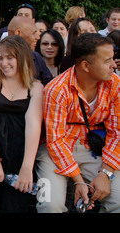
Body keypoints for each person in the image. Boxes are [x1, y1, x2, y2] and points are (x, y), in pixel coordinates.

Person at [36, 33, 120, 213]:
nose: (114, 65)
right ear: (85, 66)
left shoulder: (115, 84)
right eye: (107, 60)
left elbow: (118, 133)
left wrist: (106, 173)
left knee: (118, 198)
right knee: (49, 205)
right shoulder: (56, 90)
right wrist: (78, 180)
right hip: (56, 151)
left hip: (96, 150)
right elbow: (55, 141)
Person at [0, 35, 43, 212]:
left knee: (15, 206)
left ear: (22, 58)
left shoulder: (36, 87)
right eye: (1, 58)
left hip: (21, 154)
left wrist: (27, 166)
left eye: (10, 58)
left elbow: (34, 124)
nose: (4, 63)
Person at [0, 15, 53, 87]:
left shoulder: (37, 58)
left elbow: (49, 88)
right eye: (34, 33)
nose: (38, 37)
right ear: (18, 33)